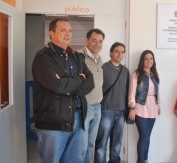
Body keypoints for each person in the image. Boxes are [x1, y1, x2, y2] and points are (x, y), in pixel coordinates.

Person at [32, 18, 94, 163]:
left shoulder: (76, 57)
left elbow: (90, 82)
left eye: (70, 30)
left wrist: (70, 88)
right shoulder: (43, 57)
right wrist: (79, 79)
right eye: (63, 30)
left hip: (77, 120)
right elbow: (58, 85)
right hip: (53, 123)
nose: (68, 34)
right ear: (51, 33)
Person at [94, 42, 130, 163]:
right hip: (106, 111)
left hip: (121, 112)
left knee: (117, 144)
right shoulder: (103, 68)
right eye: (116, 51)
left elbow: (127, 91)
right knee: (101, 143)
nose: (120, 54)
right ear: (111, 53)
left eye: (122, 52)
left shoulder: (125, 71)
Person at [77, 28, 105, 163]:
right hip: (84, 107)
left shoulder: (99, 58)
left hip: (97, 107)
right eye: (94, 40)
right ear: (87, 40)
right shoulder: (78, 56)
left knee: (90, 144)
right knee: (81, 146)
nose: (97, 44)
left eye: (100, 41)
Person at [128, 50, 160, 163]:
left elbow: (157, 92)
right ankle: (140, 160)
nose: (149, 61)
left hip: (153, 108)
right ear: (142, 60)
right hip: (140, 108)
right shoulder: (136, 73)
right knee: (144, 136)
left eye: (151, 58)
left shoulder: (154, 74)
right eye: (146, 59)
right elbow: (132, 92)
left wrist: (159, 106)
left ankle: (145, 159)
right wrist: (132, 108)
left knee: (147, 136)